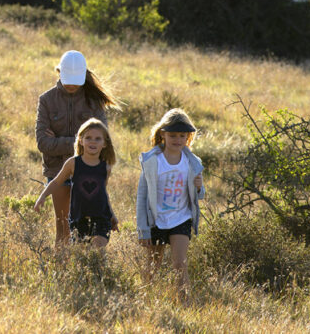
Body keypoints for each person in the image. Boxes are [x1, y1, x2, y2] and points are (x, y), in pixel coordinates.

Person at [35, 50, 117, 245]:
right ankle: (63, 274)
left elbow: (102, 139)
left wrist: (60, 141)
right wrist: (83, 141)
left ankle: (88, 271)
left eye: (75, 80)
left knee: (89, 229)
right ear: (59, 73)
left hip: (90, 170)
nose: (71, 84)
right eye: (67, 79)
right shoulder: (46, 100)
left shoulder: (94, 102)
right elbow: (42, 143)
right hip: (57, 171)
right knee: (63, 230)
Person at [136, 108, 205, 294]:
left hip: (181, 218)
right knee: (153, 265)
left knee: (179, 264)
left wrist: (199, 187)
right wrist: (143, 229)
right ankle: (146, 298)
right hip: (156, 219)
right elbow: (142, 197)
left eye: (182, 135)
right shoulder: (153, 161)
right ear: (163, 135)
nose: (177, 140)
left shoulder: (192, 163)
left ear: (188, 138)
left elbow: (199, 195)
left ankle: (185, 302)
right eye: (173, 135)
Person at [34, 118, 119, 248]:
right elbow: (56, 182)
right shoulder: (73, 163)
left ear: (105, 143)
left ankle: (99, 268)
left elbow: (103, 194)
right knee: (82, 255)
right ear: (80, 140)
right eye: (88, 137)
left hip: (101, 218)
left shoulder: (106, 168)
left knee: (98, 250)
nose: (93, 141)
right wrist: (42, 196)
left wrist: (112, 215)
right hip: (78, 219)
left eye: (98, 139)